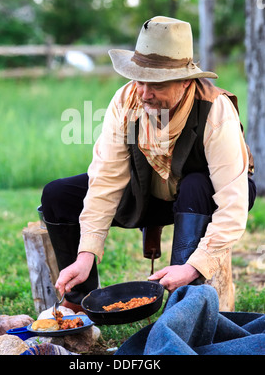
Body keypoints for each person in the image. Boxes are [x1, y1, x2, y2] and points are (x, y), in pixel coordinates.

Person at [41, 16, 256, 312]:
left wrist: (194, 266)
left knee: (195, 184)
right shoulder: (128, 101)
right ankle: (81, 304)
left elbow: (232, 205)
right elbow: (105, 179)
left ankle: (182, 307)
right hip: (150, 194)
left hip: (207, 200)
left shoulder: (215, 111)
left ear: (185, 81)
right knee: (58, 194)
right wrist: (86, 253)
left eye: (155, 84)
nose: (144, 93)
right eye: (139, 79)